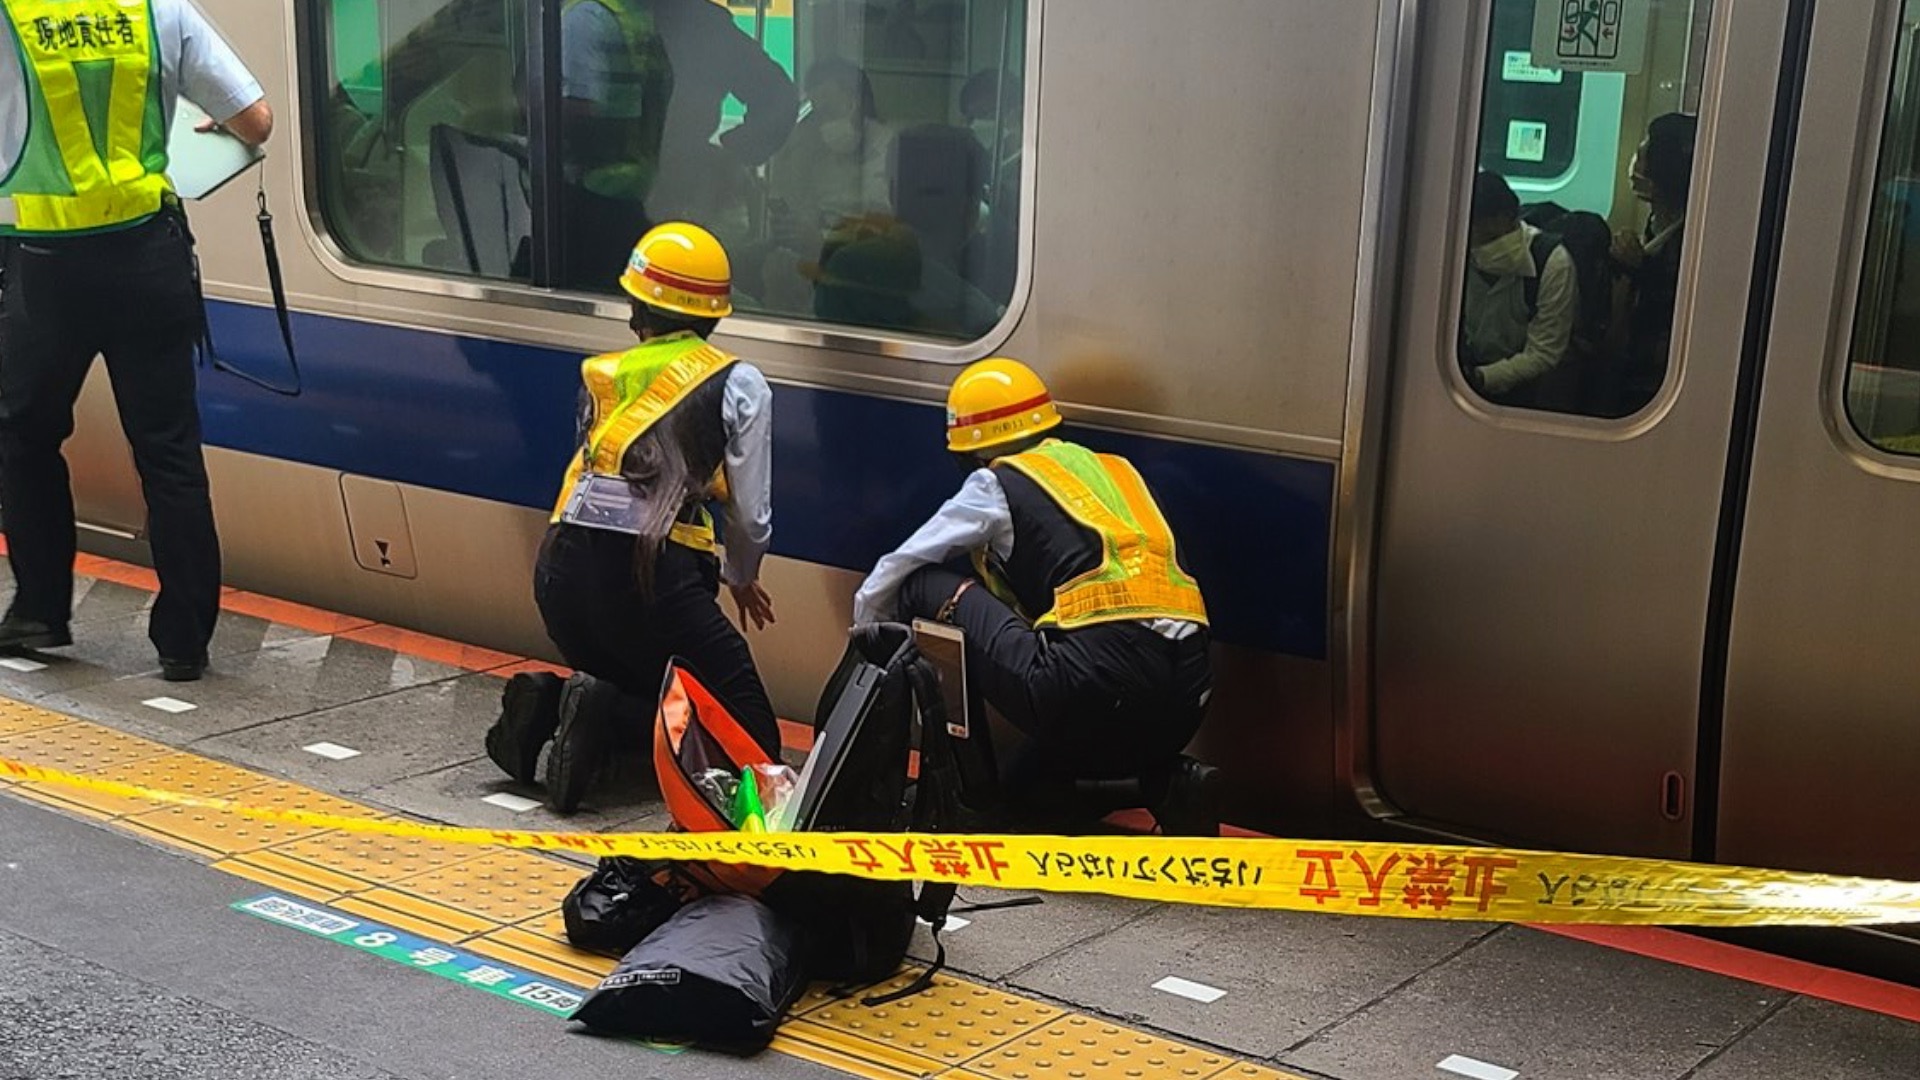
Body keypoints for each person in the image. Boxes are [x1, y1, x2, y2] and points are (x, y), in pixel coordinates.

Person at [0, 0, 273, 680]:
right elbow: (256, 120)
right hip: (149, 256)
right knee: (168, 451)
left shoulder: (13, 16)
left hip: (48, 264)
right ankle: (184, 642)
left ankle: (40, 607)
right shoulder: (159, 10)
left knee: (23, 434)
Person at [850, 358, 1217, 833]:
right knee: (1024, 789)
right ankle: (1166, 784)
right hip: (1187, 698)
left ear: (970, 452)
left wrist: (864, 641)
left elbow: (899, 566)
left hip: (1093, 686)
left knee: (921, 586)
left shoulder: (996, 483)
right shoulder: (1117, 472)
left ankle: (968, 799)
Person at [485, 221, 779, 815]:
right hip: (654, 581)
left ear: (635, 308)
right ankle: (598, 714)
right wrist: (741, 575)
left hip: (561, 577)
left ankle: (557, 704)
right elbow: (751, 517)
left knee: (651, 681)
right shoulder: (739, 383)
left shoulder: (602, 375)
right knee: (753, 740)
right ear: (716, 315)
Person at [558, 0, 674, 289]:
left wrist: (513, 114)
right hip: (635, 193)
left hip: (589, 199)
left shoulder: (584, 17)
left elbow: (581, 110)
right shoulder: (636, 16)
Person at [1460, 170, 1580, 404]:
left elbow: (1544, 353)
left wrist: (1480, 378)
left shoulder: (1553, 264)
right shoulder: (1455, 255)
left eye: (1485, 235)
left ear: (1508, 218)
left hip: (1527, 385)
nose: (1477, 244)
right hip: (1465, 364)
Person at [1612, 112, 1697, 415]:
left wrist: (1641, 269)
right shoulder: (1657, 221)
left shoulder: (1692, 238)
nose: (1636, 162)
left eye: (1645, 152)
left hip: (1660, 372)